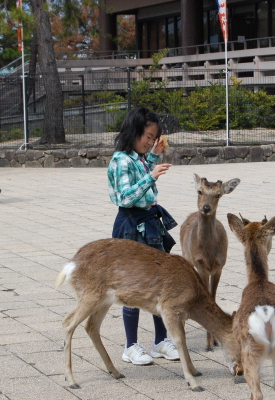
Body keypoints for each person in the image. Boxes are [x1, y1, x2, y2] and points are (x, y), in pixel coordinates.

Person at [107, 106, 179, 365]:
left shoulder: (136, 157)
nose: (150, 141)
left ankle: (160, 341)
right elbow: (126, 197)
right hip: (130, 224)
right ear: (134, 131)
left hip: (148, 223)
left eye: (153, 137)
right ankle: (130, 346)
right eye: (147, 136)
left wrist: (152, 158)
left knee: (158, 283)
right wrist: (151, 175)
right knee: (133, 286)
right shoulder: (120, 160)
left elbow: (141, 178)